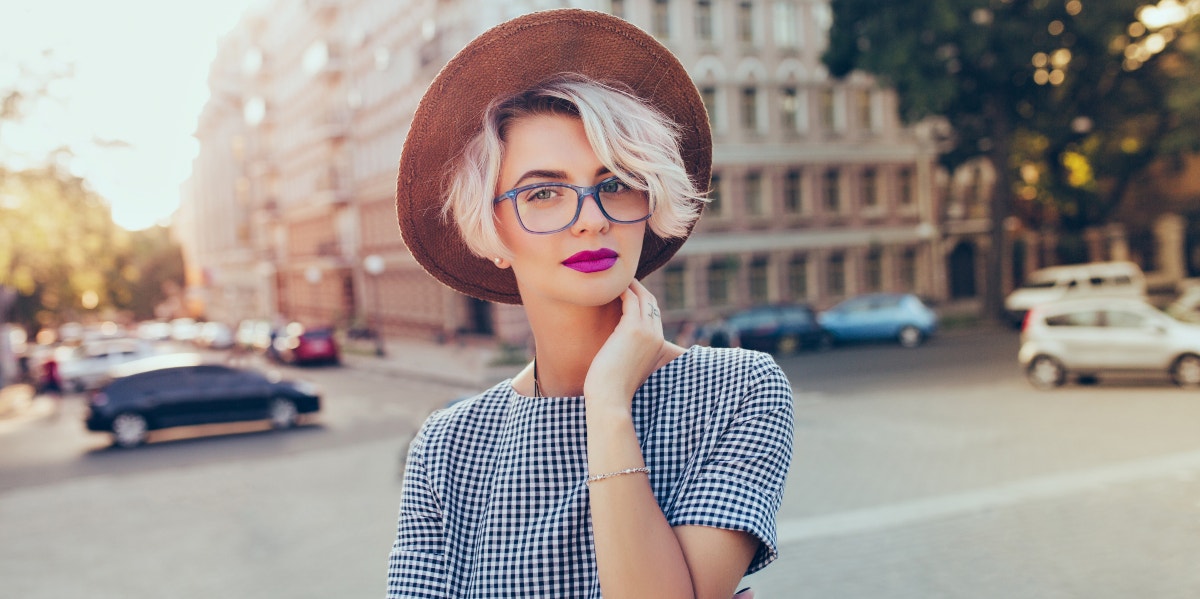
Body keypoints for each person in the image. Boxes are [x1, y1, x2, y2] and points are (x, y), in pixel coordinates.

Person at [389, 9, 794, 599]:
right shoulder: (449, 447)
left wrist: (608, 405)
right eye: (544, 193)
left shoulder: (737, 393)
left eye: (615, 184)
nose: (591, 220)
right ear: (492, 226)